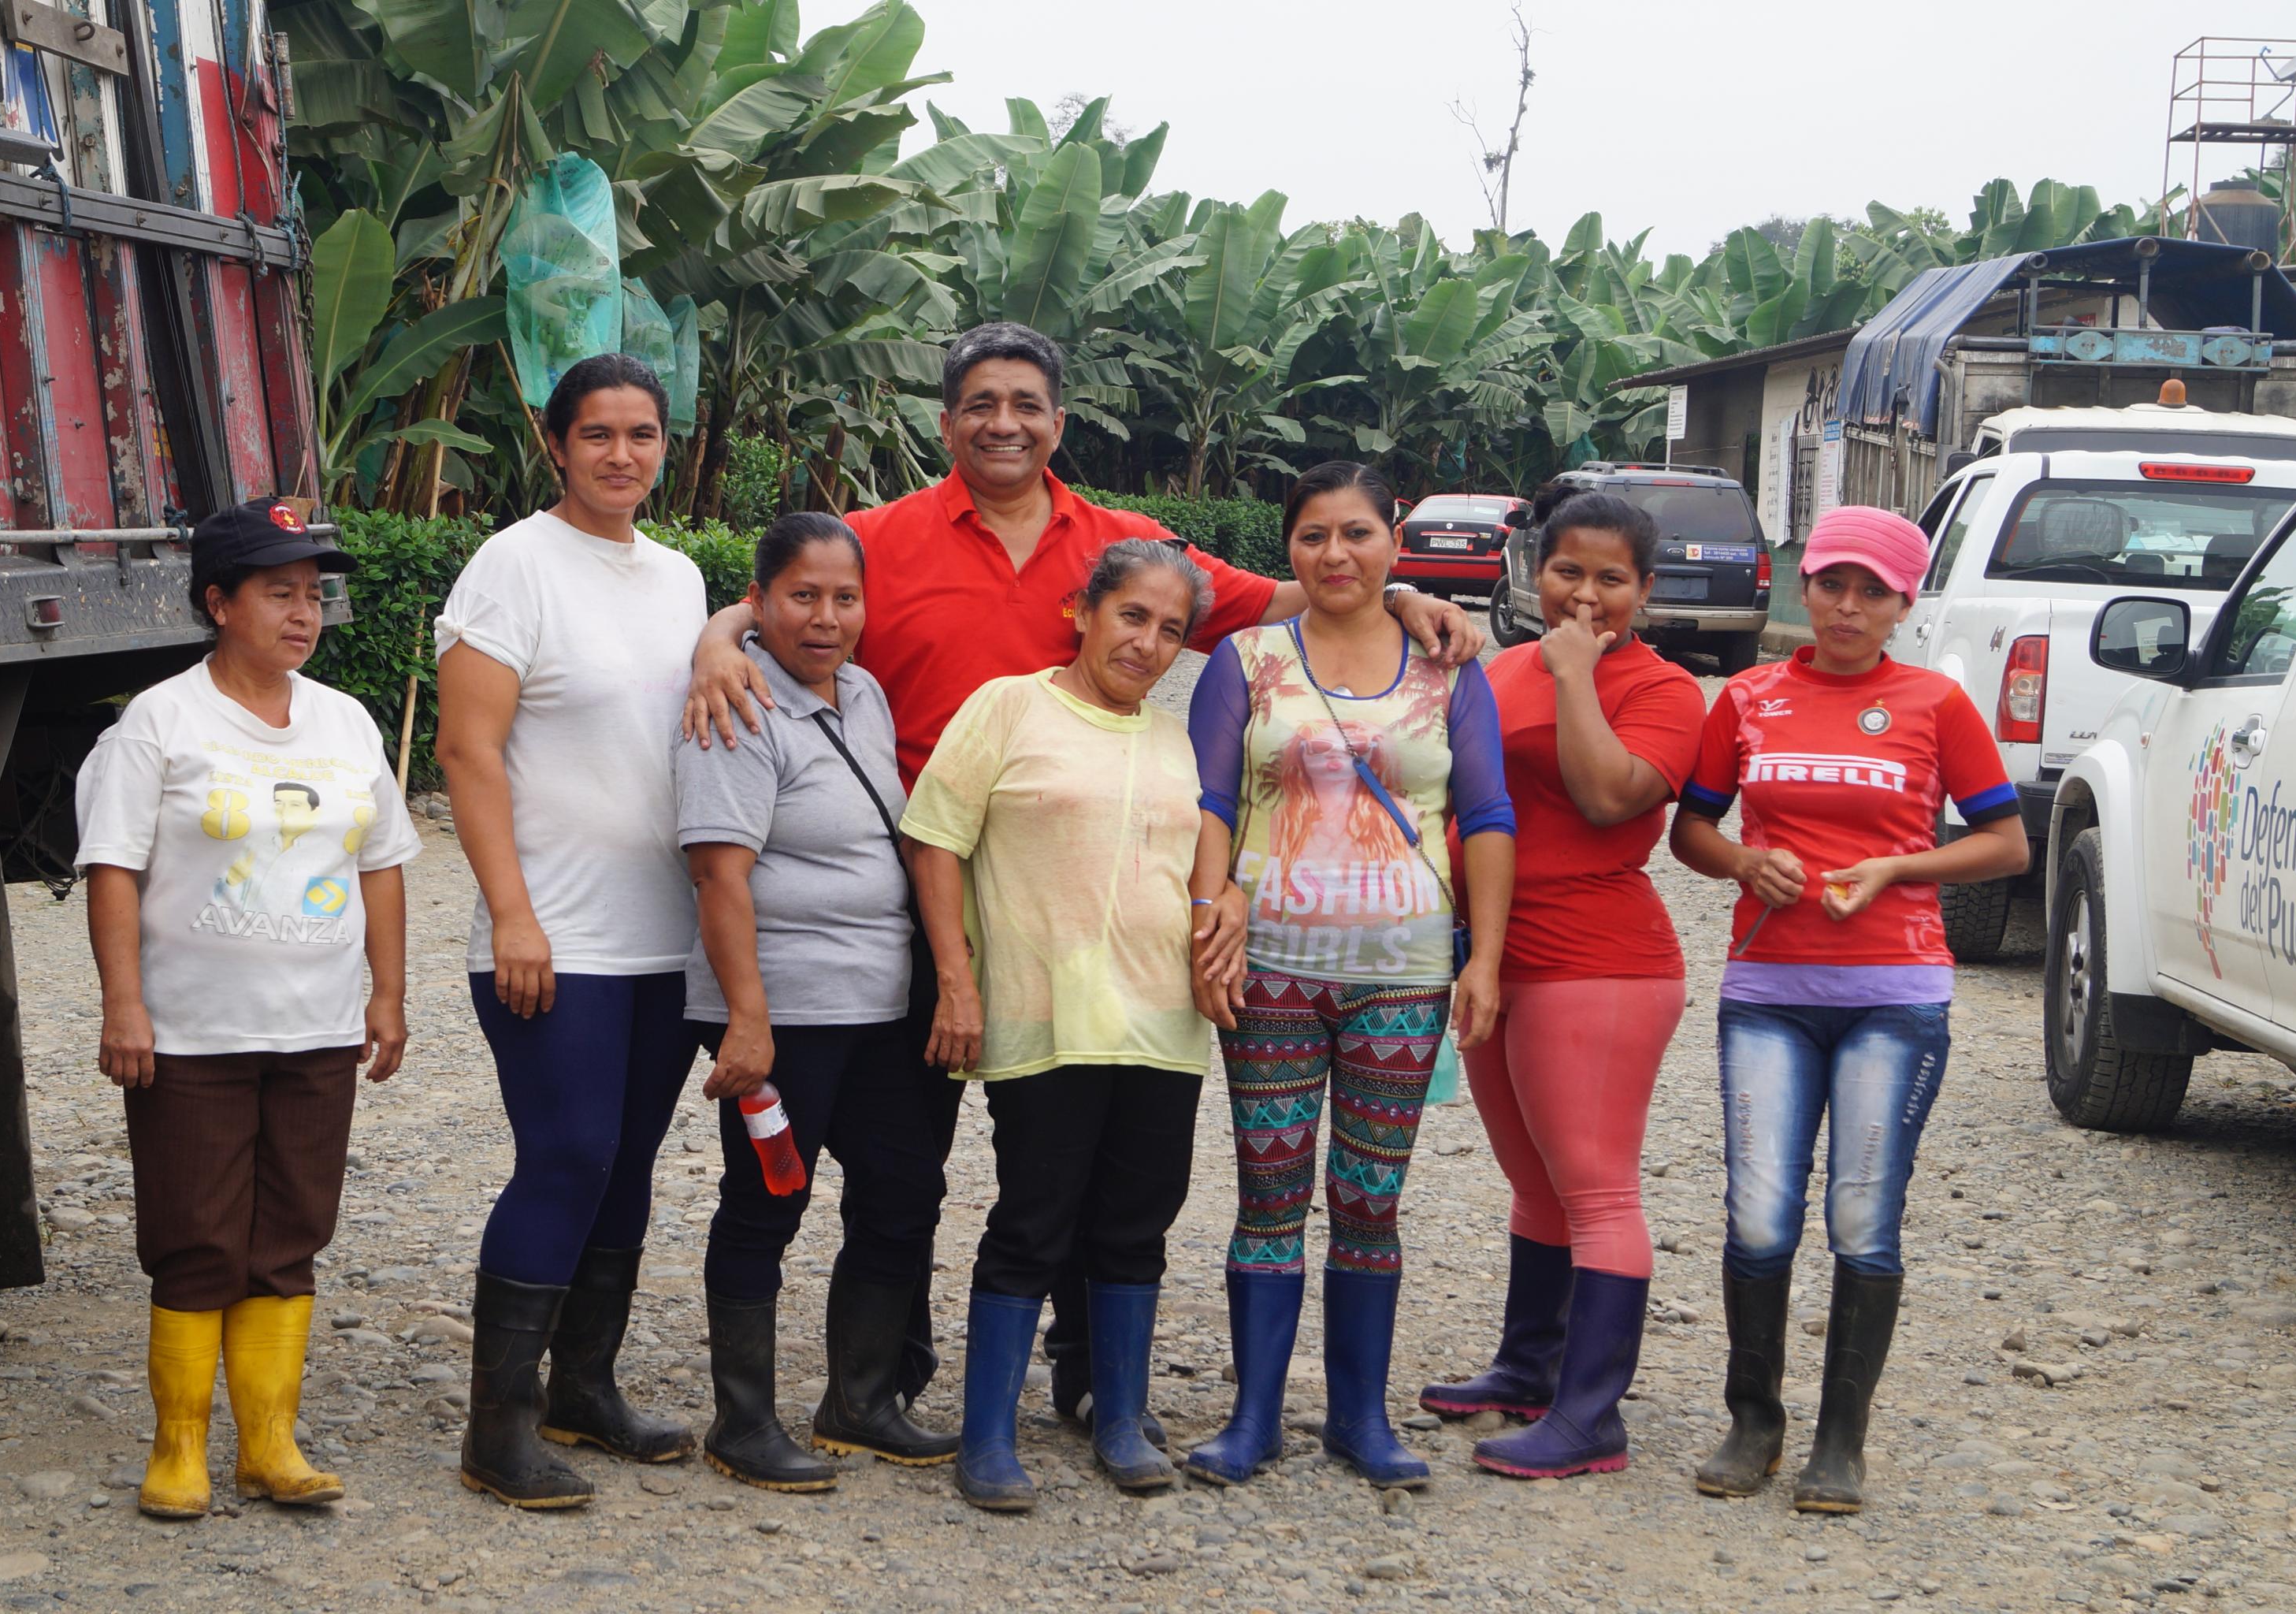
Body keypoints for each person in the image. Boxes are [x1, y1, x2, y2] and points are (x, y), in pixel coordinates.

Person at [683, 322, 1484, 1433]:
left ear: (1058, 421)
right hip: (922, 888)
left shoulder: (1125, 544)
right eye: (979, 403)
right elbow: (790, 591)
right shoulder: (882, 538)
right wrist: (720, 635)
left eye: (1025, 404)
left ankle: (1085, 1372)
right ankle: (886, 1380)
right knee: (903, 1162)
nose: (1002, 423)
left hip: (1072, 901)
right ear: (946, 417)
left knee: (1075, 1142)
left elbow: (1294, 590)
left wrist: (1398, 599)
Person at [1669, 505, 2027, 1513]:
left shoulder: (1935, 703)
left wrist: (1895, 867)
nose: (1847, 606)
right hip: (1768, 991)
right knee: (1758, 1210)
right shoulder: (1745, 698)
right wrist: (1744, 858)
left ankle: (1840, 1438)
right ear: (1804, 585)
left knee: (1862, 1214)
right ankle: (1754, 1420)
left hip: (1895, 994)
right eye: (1832, 582)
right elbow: (1690, 829)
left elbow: (2005, 844)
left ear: (1905, 604)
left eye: (1873, 590)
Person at [74, 497, 419, 1520]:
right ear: (219, 602)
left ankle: (269, 1442)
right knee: (196, 1235)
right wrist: (123, 1005)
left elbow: (384, 862)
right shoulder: (163, 723)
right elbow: (113, 870)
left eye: (314, 596)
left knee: (290, 1234)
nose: (303, 614)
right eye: (279, 594)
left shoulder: (345, 720)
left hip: (314, 1028)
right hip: (191, 1033)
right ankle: (179, 1445)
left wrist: (388, 993)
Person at [1180, 462, 1517, 1491]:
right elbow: (1207, 798)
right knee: (1269, 1191)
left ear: (1393, 540)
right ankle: (1255, 1418)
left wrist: (1485, 957)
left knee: (1371, 1196)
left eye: (1358, 533)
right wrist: (1206, 918)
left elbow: (1489, 816)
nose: (1336, 554)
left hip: (1403, 974)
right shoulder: (1246, 659)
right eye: (1315, 535)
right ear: (1290, 547)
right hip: (1271, 968)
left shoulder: (1450, 668)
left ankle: (1361, 1419)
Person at [436, 354, 708, 1509]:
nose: (620, 455)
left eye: (641, 434)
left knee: (630, 1169)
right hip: (553, 936)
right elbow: (467, 751)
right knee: (567, 1159)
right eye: (596, 434)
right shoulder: (513, 566)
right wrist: (511, 915)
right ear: (556, 445)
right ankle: (497, 1427)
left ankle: (583, 1386)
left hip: (664, 939)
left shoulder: (682, 576)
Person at [899, 538, 1217, 1512]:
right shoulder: (1009, 705)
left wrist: (1226, 901)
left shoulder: (1174, 739)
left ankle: (1118, 1415)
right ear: (1083, 608)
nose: (1149, 643)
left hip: (1162, 1022)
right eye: (1132, 616)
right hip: (1045, 1018)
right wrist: (957, 978)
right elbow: (935, 839)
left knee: (1137, 1222)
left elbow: (1208, 850)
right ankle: (989, 1434)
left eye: (1171, 630)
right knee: (1032, 1221)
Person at [1417, 487, 1707, 1480]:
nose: (1585, 594)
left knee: (1593, 1184)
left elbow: (1603, 793)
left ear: (1644, 589)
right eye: (1566, 571)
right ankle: (1528, 1367)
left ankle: (1592, 1417)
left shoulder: (1665, 690)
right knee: (1533, 1182)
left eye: (1610, 578)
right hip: (1493, 952)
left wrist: (1578, 674)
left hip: (1599, 959)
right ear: (1533, 572)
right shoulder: (1494, 669)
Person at [678, 513, 957, 1491]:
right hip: (783, 1010)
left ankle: (862, 1399)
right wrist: (744, 1019)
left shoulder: (867, 691)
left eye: (845, 597)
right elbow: (719, 875)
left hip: (873, 1003)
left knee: (905, 1185)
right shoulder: (737, 704)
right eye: (802, 595)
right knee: (768, 1199)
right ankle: (742, 1420)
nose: (826, 617)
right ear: (758, 602)